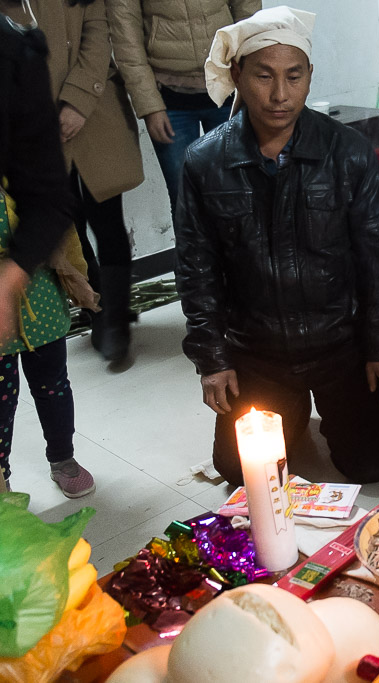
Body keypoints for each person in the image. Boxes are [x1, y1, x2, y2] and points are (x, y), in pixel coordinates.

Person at [174, 7, 379, 487]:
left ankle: (318, 410)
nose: (280, 94)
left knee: (373, 463)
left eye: (294, 76)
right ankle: (290, 408)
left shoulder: (347, 152)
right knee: (240, 470)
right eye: (264, 76)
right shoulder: (205, 162)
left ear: (309, 76)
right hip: (258, 352)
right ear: (238, 74)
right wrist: (213, 360)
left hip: (340, 344)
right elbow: (197, 269)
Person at [0, 2, 99, 497]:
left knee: (51, 381)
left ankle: (62, 454)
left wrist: (18, 269)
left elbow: (47, 196)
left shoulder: (15, 52)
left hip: (33, 282)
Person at [35, 0, 145, 363]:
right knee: (66, 223)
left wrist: (77, 103)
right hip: (34, 118)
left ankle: (115, 322)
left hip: (94, 106)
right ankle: (97, 307)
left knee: (107, 215)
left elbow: (97, 39)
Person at [106, 0, 260, 209]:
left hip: (227, 89)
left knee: (240, 189)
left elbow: (247, 10)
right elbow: (126, 38)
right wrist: (150, 106)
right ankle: (194, 244)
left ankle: (240, 243)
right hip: (169, 102)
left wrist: (250, 79)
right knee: (184, 199)